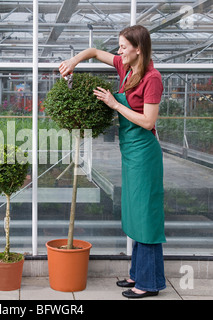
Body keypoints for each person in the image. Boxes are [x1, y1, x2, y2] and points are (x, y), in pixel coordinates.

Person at [59, 25, 166, 299]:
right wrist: (73, 61)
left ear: (138, 48)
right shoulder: (126, 68)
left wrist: (115, 104)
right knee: (133, 212)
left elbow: (148, 121)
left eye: (122, 46)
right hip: (130, 152)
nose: (118, 51)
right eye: (118, 47)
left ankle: (149, 283)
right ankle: (137, 274)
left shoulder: (152, 78)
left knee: (146, 216)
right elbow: (94, 52)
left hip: (145, 152)